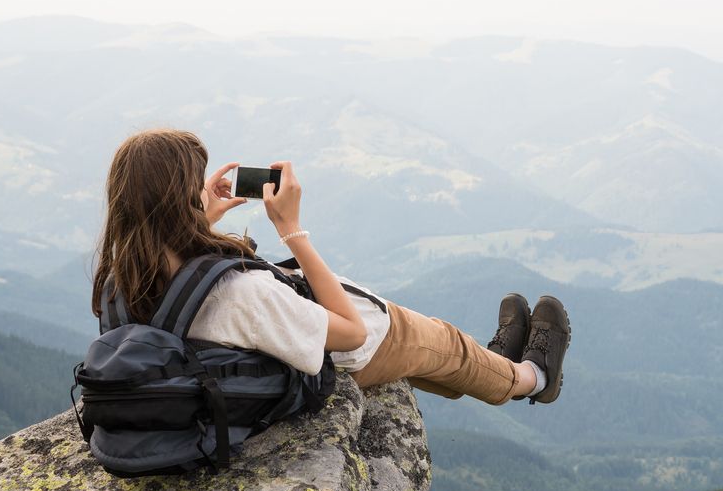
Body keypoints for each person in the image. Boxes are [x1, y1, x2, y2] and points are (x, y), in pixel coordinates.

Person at [90, 128, 570, 406]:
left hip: (263, 343)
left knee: (449, 359)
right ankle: (533, 377)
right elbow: (352, 332)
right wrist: (292, 231)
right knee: (446, 346)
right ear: (178, 201)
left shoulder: (124, 276)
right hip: (347, 352)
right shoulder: (240, 294)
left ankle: (499, 363)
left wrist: (202, 222)